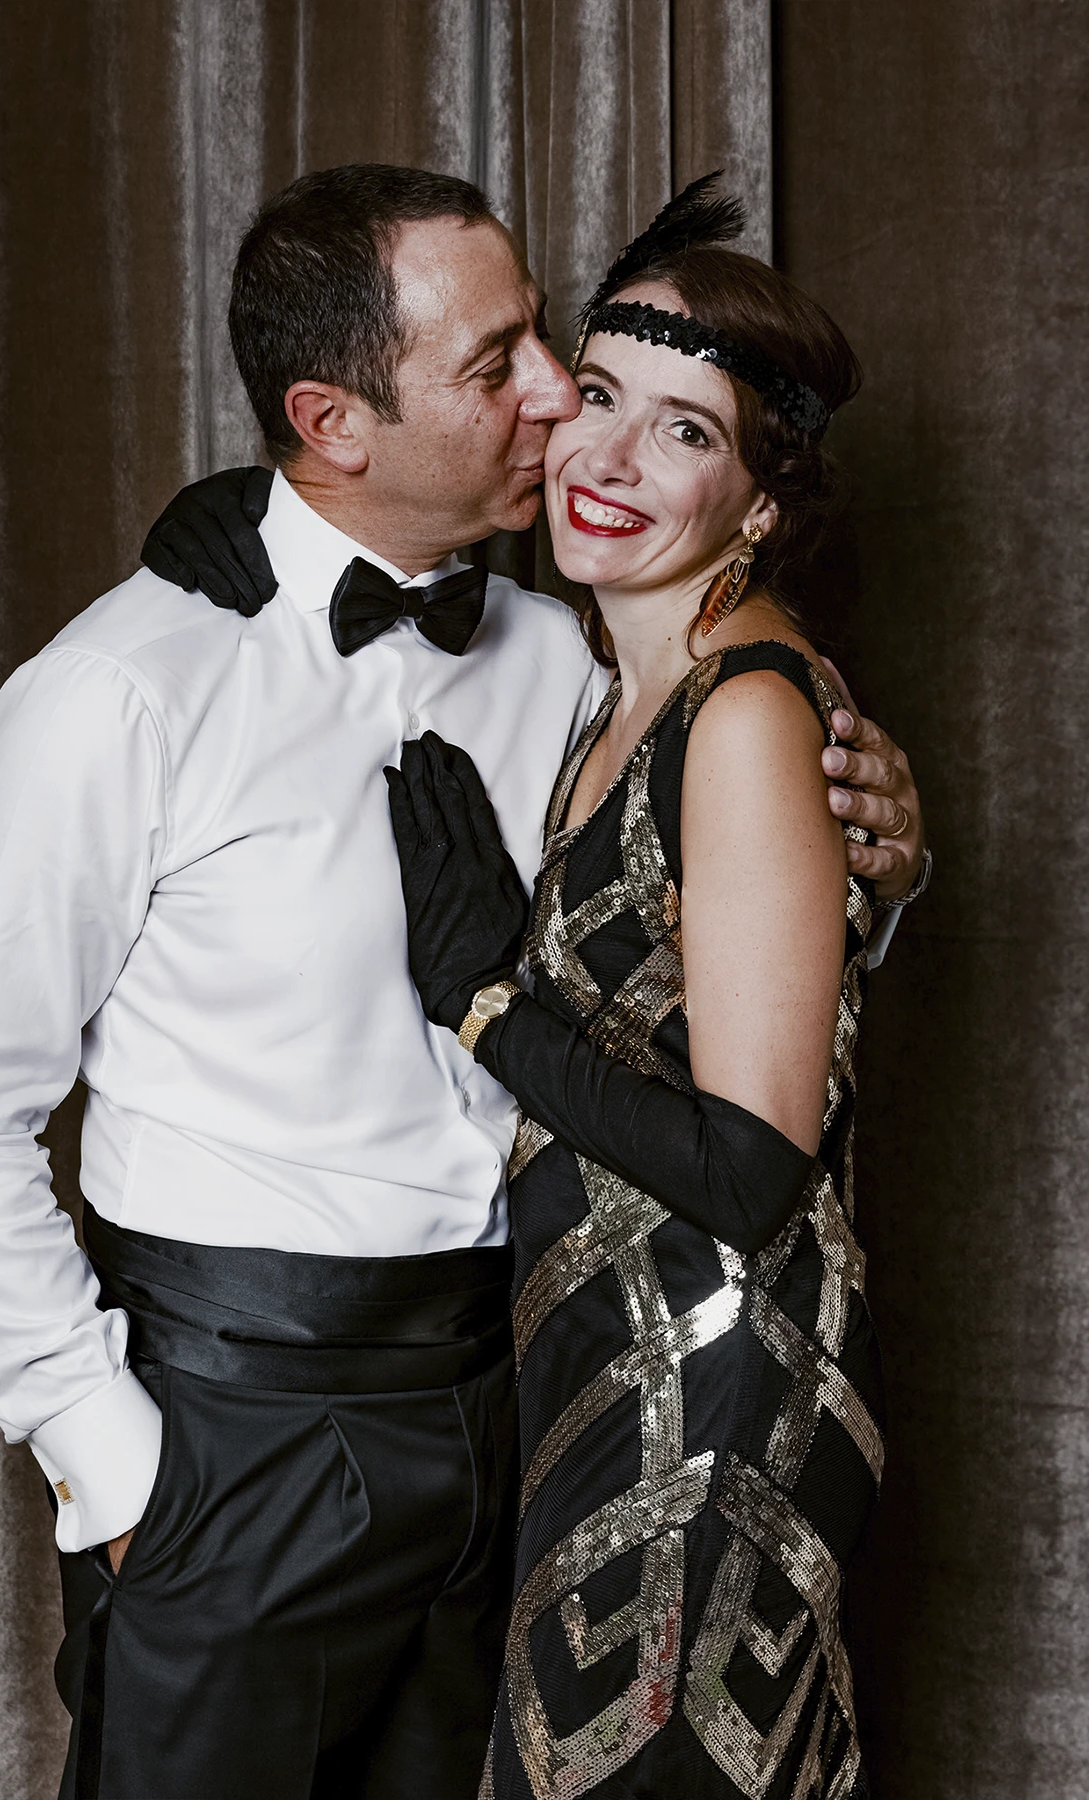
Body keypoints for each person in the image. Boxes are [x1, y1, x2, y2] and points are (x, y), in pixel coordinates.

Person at [0, 164, 924, 1800]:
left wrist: (886, 862)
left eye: (551, 357)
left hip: (527, 1408)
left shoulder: (571, 655)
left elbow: (704, 927)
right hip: (241, 1434)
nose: (553, 410)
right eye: (506, 365)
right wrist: (123, 1471)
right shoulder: (122, 690)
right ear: (332, 420)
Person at [380, 176, 886, 1796]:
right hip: (608, 1364)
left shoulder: (743, 714)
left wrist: (482, 1001)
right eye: (600, 397)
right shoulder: (619, 693)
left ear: (755, 503)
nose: (605, 458)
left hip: (720, 1385)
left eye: (687, 431)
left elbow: (750, 1163)